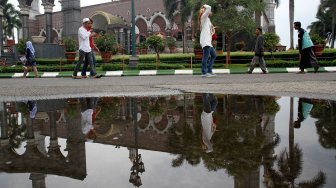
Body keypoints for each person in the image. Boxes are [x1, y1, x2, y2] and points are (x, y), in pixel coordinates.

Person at [199, 4, 217, 78]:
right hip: (205, 41)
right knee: (205, 57)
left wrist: (213, 30)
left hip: (208, 41)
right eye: (209, 12)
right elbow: (209, 7)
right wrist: (204, 5)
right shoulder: (204, 17)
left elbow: (210, 30)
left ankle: (209, 71)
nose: (210, 12)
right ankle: (204, 72)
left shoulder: (208, 20)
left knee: (214, 55)